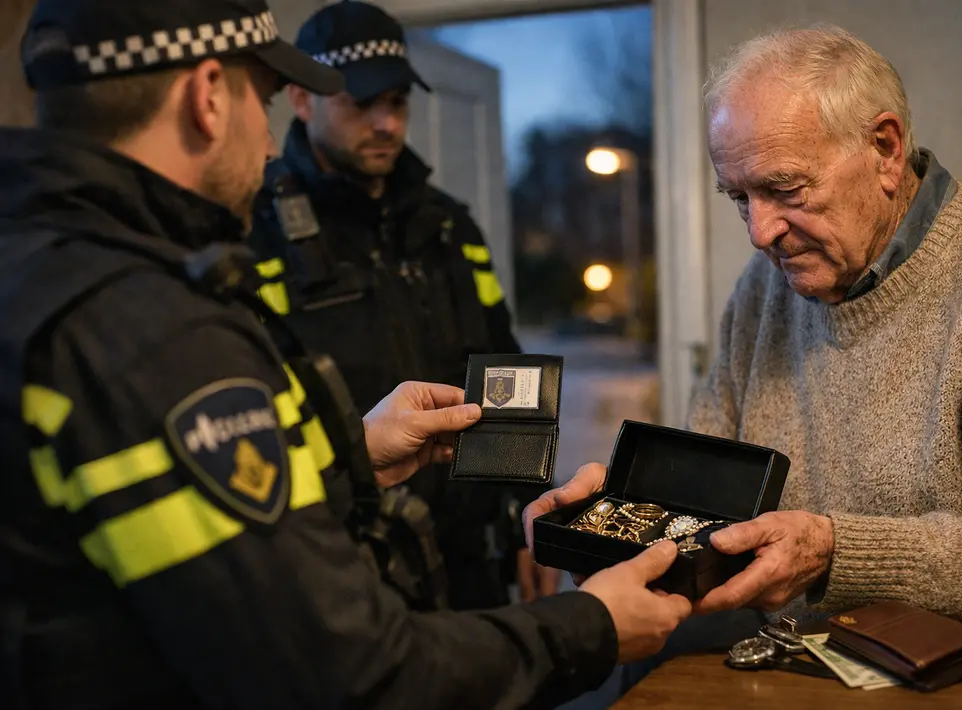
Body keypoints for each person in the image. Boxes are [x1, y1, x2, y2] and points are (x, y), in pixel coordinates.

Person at [0, 1, 694, 708]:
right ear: (208, 96)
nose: (268, 147)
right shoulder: (150, 327)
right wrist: (590, 626)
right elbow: (341, 673)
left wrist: (349, 461)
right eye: (264, 102)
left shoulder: (37, 273)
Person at [527, 22, 962, 705]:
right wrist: (621, 519)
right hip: (772, 672)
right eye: (737, 198)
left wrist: (833, 552)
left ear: (884, 149)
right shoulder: (765, 286)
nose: (759, 234)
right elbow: (710, 501)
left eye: (784, 189)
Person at [249, 0, 555, 611]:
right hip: (343, 569)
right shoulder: (256, 231)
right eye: (362, 104)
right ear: (303, 100)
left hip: (471, 564)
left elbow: (506, 367)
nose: (387, 123)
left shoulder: (448, 226)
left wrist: (529, 511)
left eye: (397, 102)